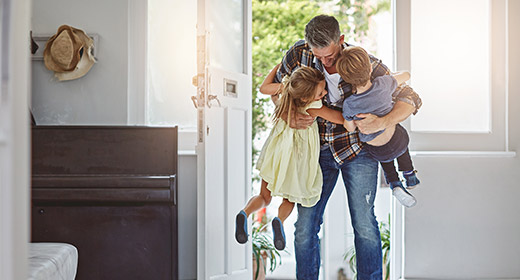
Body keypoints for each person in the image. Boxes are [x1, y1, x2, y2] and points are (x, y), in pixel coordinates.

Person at [271, 15, 422, 279]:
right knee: (305, 227)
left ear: (340, 40)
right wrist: (286, 114)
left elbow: (411, 97)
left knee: (364, 224)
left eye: (329, 56)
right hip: (315, 150)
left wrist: (383, 120)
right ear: (308, 47)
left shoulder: (365, 64)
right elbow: (278, 91)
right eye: (319, 57)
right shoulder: (298, 54)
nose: (325, 63)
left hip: (358, 151)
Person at [235, 66, 344, 250]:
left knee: (264, 196)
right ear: (305, 97)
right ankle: (279, 220)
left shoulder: (286, 91)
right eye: (320, 92)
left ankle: (244, 213)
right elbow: (339, 118)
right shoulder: (313, 107)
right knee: (289, 199)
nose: (324, 93)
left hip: (276, 153)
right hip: (297, 157)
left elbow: (263, 88)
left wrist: (277, 68)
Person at [337, 46, 420, 208]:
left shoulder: (349, 104)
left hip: (377, 151)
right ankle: (409, 175)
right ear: (370, 69)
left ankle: (394, 183)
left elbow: (349, 128)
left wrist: (351, 119)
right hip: (397, 141)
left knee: (384, 158)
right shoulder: (384, 84)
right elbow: (406, 75)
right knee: (399, 138)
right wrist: (393, 76)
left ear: (346, 79)